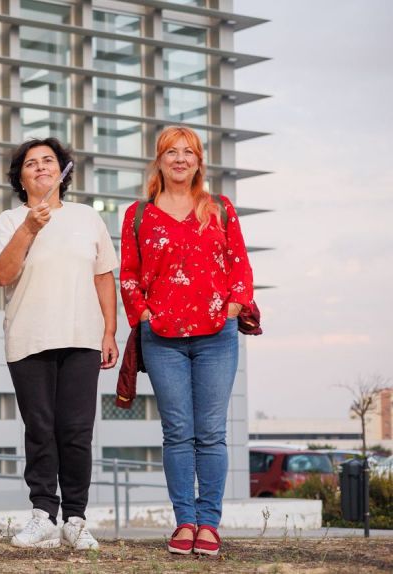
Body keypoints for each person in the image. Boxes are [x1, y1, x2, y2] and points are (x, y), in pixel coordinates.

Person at [119, 126, 254, 557]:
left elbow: (241, 269)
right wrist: (142, 314)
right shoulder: (138, 214)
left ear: (199, 161)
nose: (179, 159)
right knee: (177, 432)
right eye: (171, 152)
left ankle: (209, 524)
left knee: (211, 433)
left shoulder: (220, 209)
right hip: (163, 338)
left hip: (217, 336)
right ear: (158, 161)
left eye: (188, 152)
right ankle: (185, 522)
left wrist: (233, 307)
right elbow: (128, 274)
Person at [0, 138, 118, 550]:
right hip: (29, 338)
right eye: (31, 163)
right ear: (20, 176)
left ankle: (75, 518)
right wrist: (29, 227)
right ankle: (43, 515)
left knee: (76, 431)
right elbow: (0, 276)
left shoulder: (86, 218)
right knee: (40, 429)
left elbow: (103, 276)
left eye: (49, 161)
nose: (41, 167)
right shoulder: (10, 220)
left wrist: (110, 331)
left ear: (62, 171)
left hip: (82, 337)